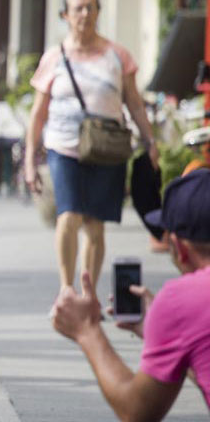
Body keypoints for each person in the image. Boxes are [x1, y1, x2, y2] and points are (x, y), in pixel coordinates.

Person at [24, 0, 158, 292]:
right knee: (69, 214)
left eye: (90, 7)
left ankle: (88, 291)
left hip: (106, 149)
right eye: (78, 9)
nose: (85, 14)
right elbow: (38, 113)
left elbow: (134, 102)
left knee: (95, 225)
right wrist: (31, 160)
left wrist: (150, 141)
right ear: (65, 16)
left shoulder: (117, 56)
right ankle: (65, 289)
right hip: (64, 147)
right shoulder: (54, 58)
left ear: (98, 12)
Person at [51, 169, 210, 420]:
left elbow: (136, 411)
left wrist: (87, 330)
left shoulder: (183, 299)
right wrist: (169, 339)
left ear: (180, 248)